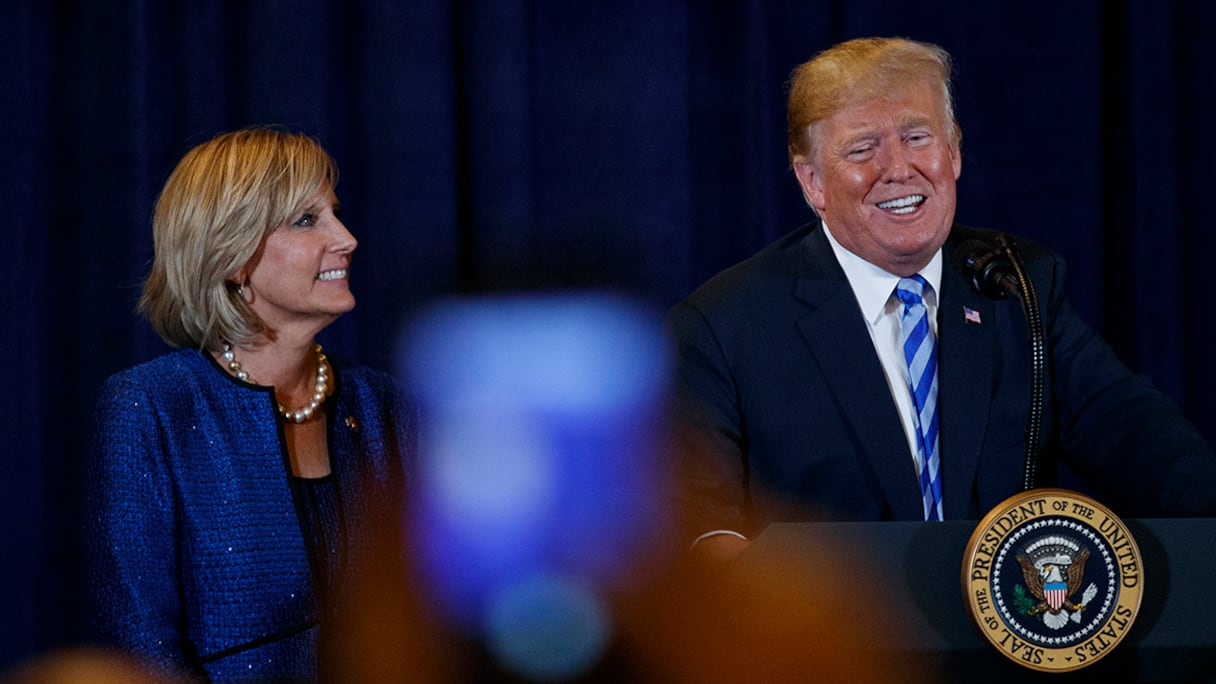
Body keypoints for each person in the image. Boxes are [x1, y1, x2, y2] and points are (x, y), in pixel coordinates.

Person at [667, 37, 1216, 556]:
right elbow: (703, 535)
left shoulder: (1018, 287)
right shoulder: (723, 329)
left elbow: (1139, 445)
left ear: (952, 152)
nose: (898, 170)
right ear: (811, 182)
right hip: (836, 649)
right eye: (862, 149)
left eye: (917, 138)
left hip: (1000, 643)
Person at [86, 127, 416, 682]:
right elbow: (144, 648)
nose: (347, 238)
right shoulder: (150, 409)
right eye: (307, 221)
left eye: (334, 213)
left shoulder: (389, 405)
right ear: (233, 258)